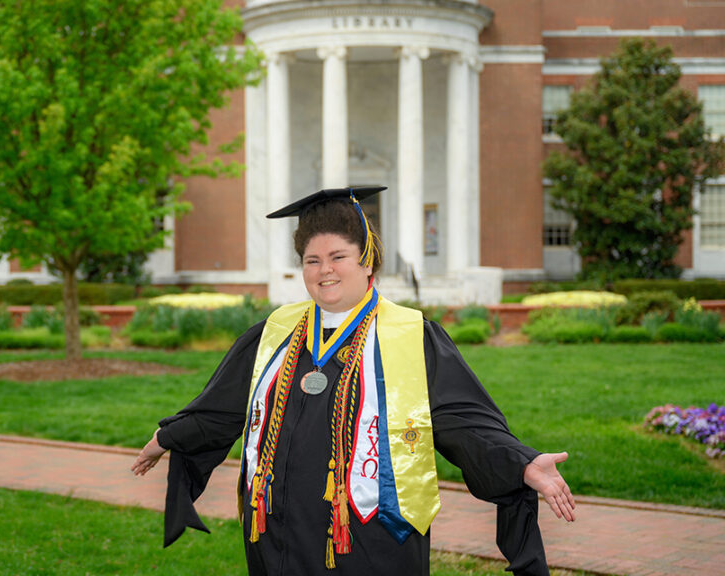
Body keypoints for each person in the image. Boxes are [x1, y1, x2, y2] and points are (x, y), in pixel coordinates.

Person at [131, 186, 574, 576]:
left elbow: (462, 421)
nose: (324, 270)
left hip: (370, 538)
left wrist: (521, 462)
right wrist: (168, 436)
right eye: (312, 260)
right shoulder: (275, 334)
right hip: (278, 536)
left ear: (367, 260)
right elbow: (222, 407)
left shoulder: (409, 337)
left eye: (338, 257)